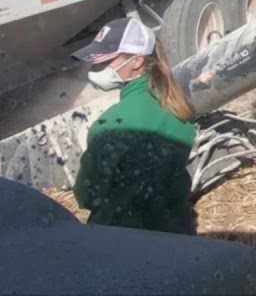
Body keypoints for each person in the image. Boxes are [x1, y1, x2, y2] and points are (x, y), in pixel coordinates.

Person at [71, 17, 199, 235]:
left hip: (124, 239)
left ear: (136, 61)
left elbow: (87, 195)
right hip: (177, 231)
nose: (97, 69)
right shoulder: (177, 105)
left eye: (105, 61)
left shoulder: (110, 125)